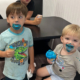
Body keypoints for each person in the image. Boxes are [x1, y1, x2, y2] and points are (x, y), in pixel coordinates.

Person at [0, 2, 35, 80]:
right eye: (12, 17)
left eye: (20, 17)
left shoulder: (28, 32)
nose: (16, 20)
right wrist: (4, 53)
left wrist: (32, 63)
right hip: (10, 73)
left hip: (24, 70)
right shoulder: (3, 36)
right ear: (8, 19)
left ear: (25, 19)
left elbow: (30, 47)